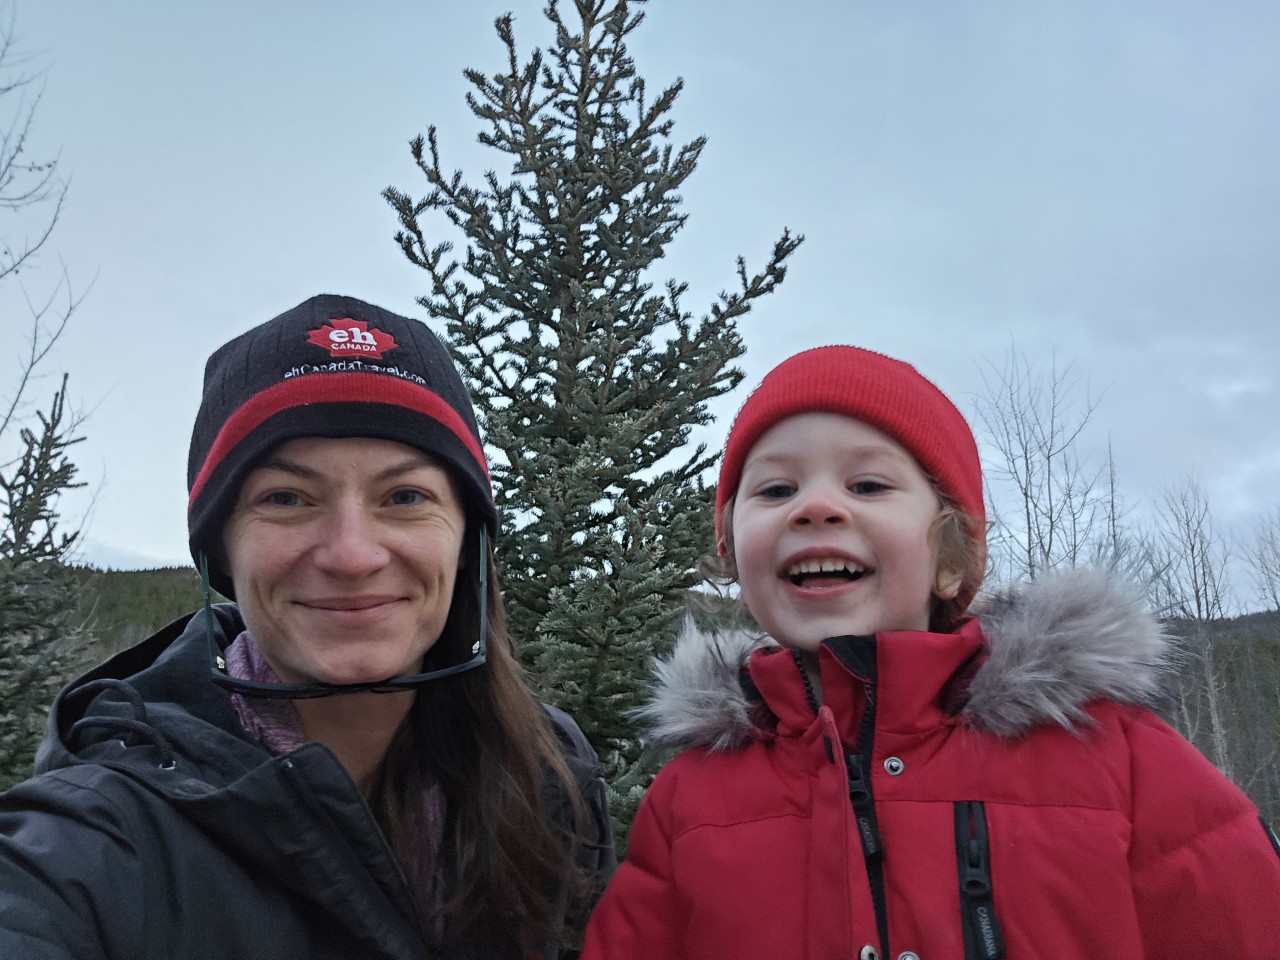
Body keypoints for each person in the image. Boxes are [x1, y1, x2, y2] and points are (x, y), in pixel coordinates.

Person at [582, 345, 1280, 960]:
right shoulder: (690, 799)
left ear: (951, 558)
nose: (815, 507)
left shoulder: (1118, 760)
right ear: (734, 557)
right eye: (775, 489)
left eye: (868, 485)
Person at [0, 294, 615, 959]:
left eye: (404, 497)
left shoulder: (549, 780)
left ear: (468, 540)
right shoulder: (96, 844)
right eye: (286, 498)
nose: (352, 554)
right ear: (221, 550)